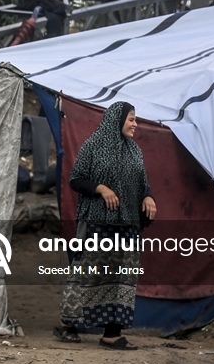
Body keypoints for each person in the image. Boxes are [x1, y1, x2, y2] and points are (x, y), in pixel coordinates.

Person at [53, 101, 157, 350]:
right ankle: (68, 324)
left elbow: (143, 183)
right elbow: (76, 179)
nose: (135, 124)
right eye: (131, 119)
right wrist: (101, 188)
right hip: (97, 223)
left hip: (128, 225)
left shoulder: (134, 150)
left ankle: (112, 333)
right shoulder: (93, 145)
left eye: (135, 119)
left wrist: (148, 196)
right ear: (116, 119)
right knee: (87, 274)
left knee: (123, 278)